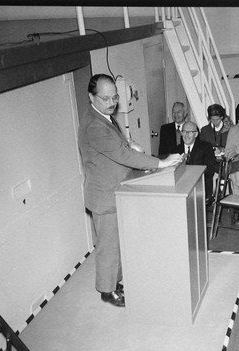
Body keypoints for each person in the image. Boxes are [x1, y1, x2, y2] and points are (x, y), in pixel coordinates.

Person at [78, 74, 182, 307]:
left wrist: (130, 145)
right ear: (91, 97)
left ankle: (114, 282)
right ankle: (107, 291)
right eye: (105, 98)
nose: (112, 102)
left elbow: (120, 146)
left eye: (115, 96)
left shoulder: (104, 117)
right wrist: (160, 162)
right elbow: (122, 154)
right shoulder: (94, 125)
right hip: (105, 196)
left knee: (117, 243)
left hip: (116, 190)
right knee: (109, 246)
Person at [174, 121, 217, 202]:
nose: (186, 135)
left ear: (196, 134)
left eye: (190, 132)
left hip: (200, 185)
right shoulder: (176, 150)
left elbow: (210, 171)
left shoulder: (206, 147)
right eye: (184, 131)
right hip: (181, 186)